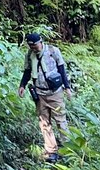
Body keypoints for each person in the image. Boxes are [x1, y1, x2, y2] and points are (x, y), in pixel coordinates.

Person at [18, 32, 72, 162]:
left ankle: (68, 150)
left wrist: (67, 87)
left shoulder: (53, 51)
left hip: (55, 93)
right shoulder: (29, 55)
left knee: (61, 121)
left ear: (41, 42)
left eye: (35, 46)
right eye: (31, 46)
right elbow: (27, 72)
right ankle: (51, 150)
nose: (34, 48)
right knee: (44, 123)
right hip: (40, 93)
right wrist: (22, 85)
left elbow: (61, 70)